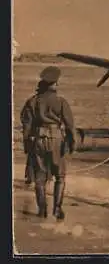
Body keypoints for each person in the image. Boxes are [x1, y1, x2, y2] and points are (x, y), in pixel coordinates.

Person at [21, 66, 77, 220]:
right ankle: (57, 209)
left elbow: (26, 125)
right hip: (57, 140)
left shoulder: (32, 102)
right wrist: (73, 143)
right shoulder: (61, 102)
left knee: (40, 178)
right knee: (60, 176)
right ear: (54, 84)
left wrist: (26, 144)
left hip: (38, 140)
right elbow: (70, 125)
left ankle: (42, 210)